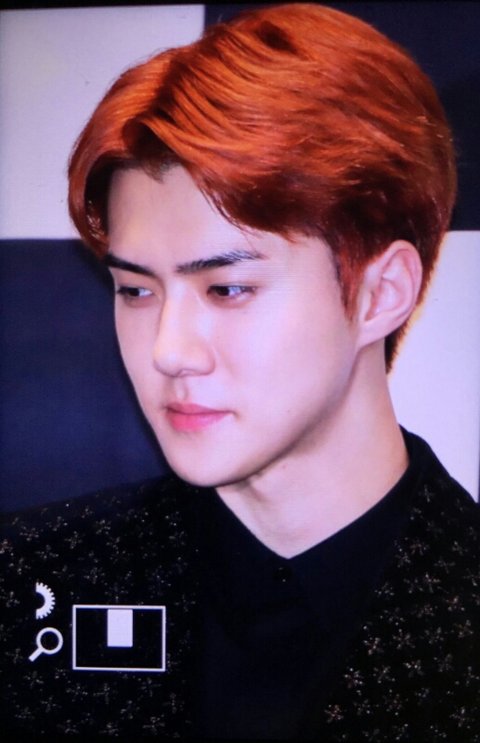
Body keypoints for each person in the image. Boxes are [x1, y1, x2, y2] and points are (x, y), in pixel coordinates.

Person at [1, 3, 479, 739]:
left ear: (382, 293)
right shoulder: (29, 583)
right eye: (135, 290)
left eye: (226, 289)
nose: (168, 351)